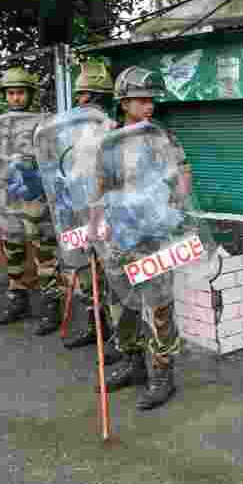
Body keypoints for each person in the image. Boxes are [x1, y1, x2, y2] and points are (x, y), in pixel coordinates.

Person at [90, 67, 192, 410]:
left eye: (151, 100)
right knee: (122, 306)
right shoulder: (111, 142)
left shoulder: (161, 137)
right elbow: (101, 188)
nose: (149, 106)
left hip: (154, 235)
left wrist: (178, 208)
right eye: (141, 100)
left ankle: (162, 376)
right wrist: (95, 229)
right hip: (120, 237)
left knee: (158, 307)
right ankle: (133, 364)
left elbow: (183, 173)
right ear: (124, 103)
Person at [0, 67, 62, 334]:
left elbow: (53, 158)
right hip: (10, 197)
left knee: (44, 253)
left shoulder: (45, 121)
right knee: (14, 251)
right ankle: (17, 300)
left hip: (35, 196)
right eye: (11, 93)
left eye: (21, 92)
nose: (16, 98)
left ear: (30, 94)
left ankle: (51, 307)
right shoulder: (0, 123)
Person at [61, 61, 121, 367]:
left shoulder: (114, 130)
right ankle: (95, 328)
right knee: (86, 276)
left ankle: (116, 339)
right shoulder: (71, 131)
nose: (86, 101)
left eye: (93, 96)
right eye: (83, 95)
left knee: (111, 280)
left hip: (106, 213)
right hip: (78, 209)